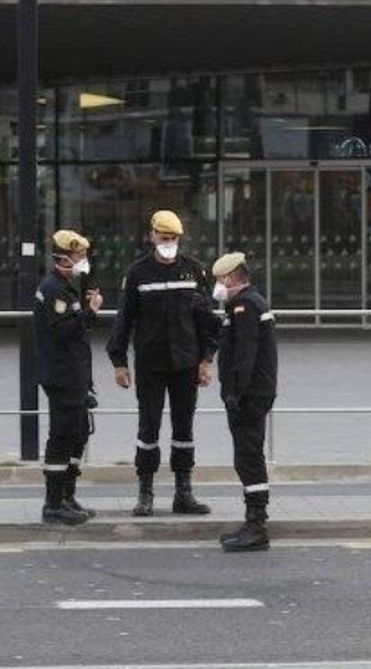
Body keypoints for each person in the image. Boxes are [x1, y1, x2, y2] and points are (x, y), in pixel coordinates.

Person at [107, 210, 219, 517]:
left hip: (186, 362)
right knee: (148, 429)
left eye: (173, 238)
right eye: (163, 237)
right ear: (152, 236)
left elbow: (206, 319)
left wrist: (207, 359)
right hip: (151, 363)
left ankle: (184, 493)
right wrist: (119, 361)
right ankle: (145, 493)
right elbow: (124, 318)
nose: (168, 243)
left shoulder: (193, 270)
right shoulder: (138, 272)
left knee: (184, 429)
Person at [210, 253, 277, 552]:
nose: (217, 286)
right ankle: (253, 521)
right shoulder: (247, 303)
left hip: (249, 396)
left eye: (220, 280)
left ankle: (257, 525)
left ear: (231, 278)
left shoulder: (245, 305)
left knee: (248, 458)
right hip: (252, 393)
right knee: (247, 456)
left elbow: (244, 354)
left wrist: (235, 392)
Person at [36, 230, 103, 525]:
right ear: (64, 258)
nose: (83, 261)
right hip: (62, 376)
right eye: (79, 256)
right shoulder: (54, 290)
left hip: (73, 375)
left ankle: (67, 496)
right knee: (62, 437)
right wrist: (90, 313)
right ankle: (53, 504)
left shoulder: (64, 287)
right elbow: (62, 331)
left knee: (78, 433)